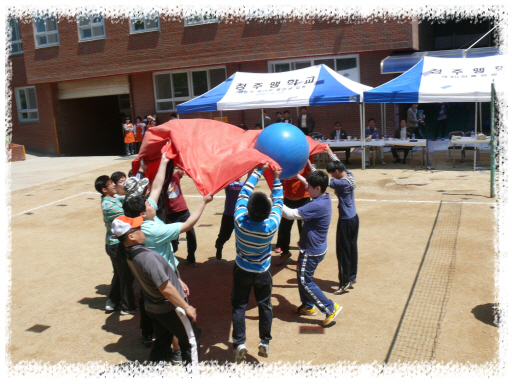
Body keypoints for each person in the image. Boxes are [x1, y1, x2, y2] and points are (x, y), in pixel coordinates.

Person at [111, 215, 200, 365]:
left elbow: (155, 276)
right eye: (138, 228)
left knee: (162, 343)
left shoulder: (128, 253)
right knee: (190, 342)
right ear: (131, 236)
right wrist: (186, 307)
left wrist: (175, 277)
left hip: (153, 308)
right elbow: (165, 288)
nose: (142, 228)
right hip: (169, 309)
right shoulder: (148, 258)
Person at [232, 163, 283, 363]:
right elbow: (278, 202)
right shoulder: (270, 226)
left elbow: (243, 194)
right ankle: (264, 341)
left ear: (249, 210)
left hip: (242, 269)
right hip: (263, 271)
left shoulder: (239, 220)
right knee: (265, 305)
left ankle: (240, 343)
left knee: (239, 305)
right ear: (267, 212)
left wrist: (258, 171)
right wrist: (276, 178)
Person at [280, 167, 342, 327]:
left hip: (311, 251)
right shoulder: (324, 198)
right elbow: (308, 184)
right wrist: (297, 175)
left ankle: (330, 307)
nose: (306, 189)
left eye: (309, 187)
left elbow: (290, 214)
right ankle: (307, 306)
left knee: (305, 280)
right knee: (302, 277)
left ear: (318, 188)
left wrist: (277, 201)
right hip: (313, 248)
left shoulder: (315, 206)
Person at [95, 175, 136, 315]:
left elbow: (123, 198)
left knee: (119, 274)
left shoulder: (112, 198)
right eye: (111, 184)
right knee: (126, 276)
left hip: (115, 244)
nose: (114, 185)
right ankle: (127, 307)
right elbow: (128, 216)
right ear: (104, 190)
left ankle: (112, 302)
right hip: (116, 245)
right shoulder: (108, 205)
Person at [325, 146, 359, 294]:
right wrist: (329, 152)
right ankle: (351, 277)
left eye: (332, 173)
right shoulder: (349, 176)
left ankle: (344, 282)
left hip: (345, 220)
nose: (332, 176)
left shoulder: (340, 183)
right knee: (352, 248)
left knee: (342, 251)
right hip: (354, 218)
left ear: (336, 172)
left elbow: (320, 180)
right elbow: (340, 164)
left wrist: (309, 166)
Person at [274, 158, 315, 266]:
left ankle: (304, 256)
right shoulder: (285, 158)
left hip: (303, 199)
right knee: (284, 228)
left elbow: (312, 176)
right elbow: (281, 178)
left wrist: (307, 161)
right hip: (288, 199)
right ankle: (285, 252)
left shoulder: (305, 157)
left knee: (303, 229)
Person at [164, 168, 198, 267]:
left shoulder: (175, 176)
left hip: (184, 211)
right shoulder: (161, 183)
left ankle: (191, 257)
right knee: (173, 241)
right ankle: (172, 255)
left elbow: (183, 169)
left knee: (191, 234)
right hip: (171, 214)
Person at [215, 178, 246, 260]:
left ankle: (241, 256)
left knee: (241, 237)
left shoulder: (243, 184)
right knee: (224, 236)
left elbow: (249, 179)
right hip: (228, 215)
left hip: (240, 215)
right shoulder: (229, 184)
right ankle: (219, 245)